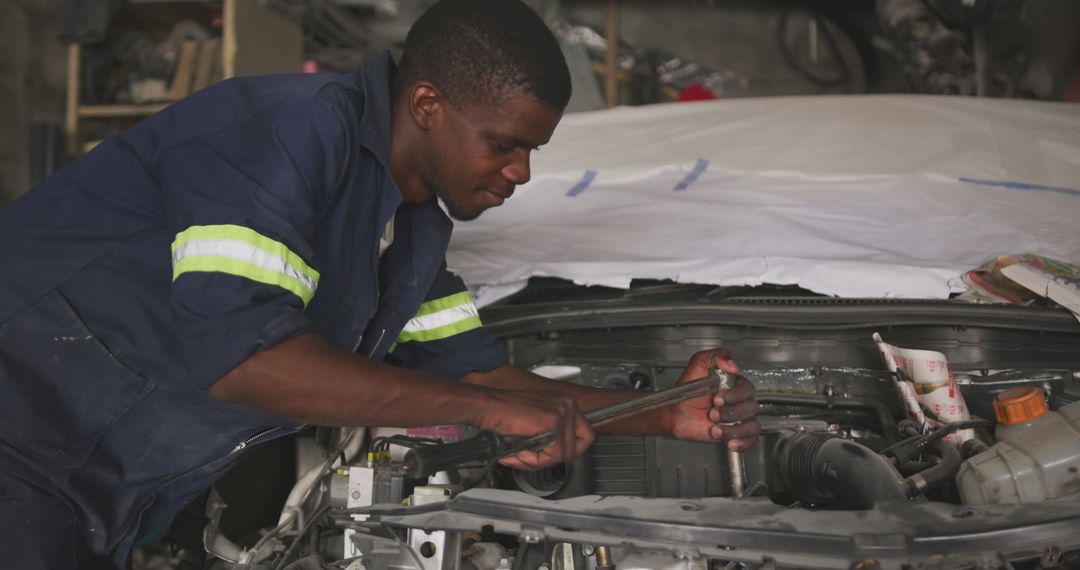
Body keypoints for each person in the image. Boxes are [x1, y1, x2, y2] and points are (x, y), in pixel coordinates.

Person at [0, 0, 760, 567]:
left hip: (109, 494)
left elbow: (478, 372)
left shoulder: (414, 225)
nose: (521, 172)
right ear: (427, 106)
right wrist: (486, 410)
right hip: (21, 445)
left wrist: (662, 415)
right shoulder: (285, 137)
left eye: (533, 149)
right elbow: (243, 359)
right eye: (505, 144)